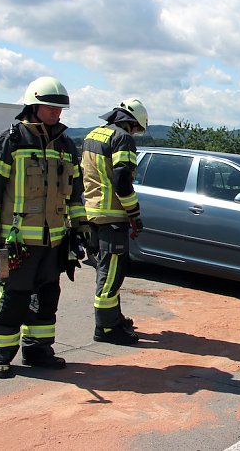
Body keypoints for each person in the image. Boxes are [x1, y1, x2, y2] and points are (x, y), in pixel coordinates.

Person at [0, 76, 88, 378]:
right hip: (18, 241)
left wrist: (80, 228)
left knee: (47, 297)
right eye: (50, 107)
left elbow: (75, 191)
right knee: (14, 297)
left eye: (60, 108)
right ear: (33, 105)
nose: (57, 113)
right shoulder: (9, 142)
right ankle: (1, 354)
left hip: (54, 240)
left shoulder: (66, 145)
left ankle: (38, 350)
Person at [82, 98, 149, 345]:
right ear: (131, 122)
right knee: (111, 274)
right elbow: (122, 181)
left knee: (106, 269)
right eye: (136, 128)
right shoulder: (122, 138)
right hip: (112, 215)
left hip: (93, 212)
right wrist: (134, 214)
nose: (135, 133)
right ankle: (107, 328)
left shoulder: (93, 135)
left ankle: (114, 318)